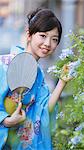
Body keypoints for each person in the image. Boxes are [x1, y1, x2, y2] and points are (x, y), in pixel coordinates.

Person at [0, 8, 71, 150]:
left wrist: (62, 82)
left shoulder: (39, 75)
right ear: (29, 35)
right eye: (43, 36)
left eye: (54, 39)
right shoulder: (4, 64)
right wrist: (6, 121)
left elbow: (43, 110)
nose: (48, 43)